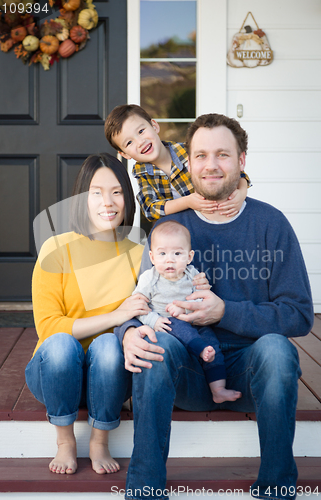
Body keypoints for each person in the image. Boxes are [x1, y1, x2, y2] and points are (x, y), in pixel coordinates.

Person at [115, 114, 314, 500]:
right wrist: (127, 334)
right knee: (154, 343)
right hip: (186, 370)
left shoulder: (270, 224)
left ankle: (276, 487)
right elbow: (140, 300)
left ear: (241, 161)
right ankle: (145, 488)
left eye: (222, 154)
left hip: (248, 373)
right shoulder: (169, 230)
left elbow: (300, 313)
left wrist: (226, 312)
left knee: (277, 349)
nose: (210, 164)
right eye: (201, 155)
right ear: (188, 163)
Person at [25, 153, 150, 476]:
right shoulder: (56, 248)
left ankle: (99, 441)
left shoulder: (140, 250)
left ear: (127, 197)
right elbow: (50, 327)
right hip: (54, 372)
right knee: (62, 344)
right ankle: (65, 442)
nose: (107, 202)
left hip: (111, 375)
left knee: (109, 346)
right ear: (82, 198)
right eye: (96, 192)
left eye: (117, 192)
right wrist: (115, 316)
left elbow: (150, 309)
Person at [133, 219, 241, 403]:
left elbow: (201, 299)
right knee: (181, 328)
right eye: (162, 253)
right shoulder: (149, 278)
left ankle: (218, 389)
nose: (170, 259)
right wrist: (153, 321)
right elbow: (138, 307)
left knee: (213, 345)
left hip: (195, 322)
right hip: (167, 324)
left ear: (189, 257)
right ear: (152, 257)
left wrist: (185, 306)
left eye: (177, 253)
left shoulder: (192, 274)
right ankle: (200, 350)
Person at [104, 104, 250, 221]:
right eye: (129, 142)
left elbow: (237, 172)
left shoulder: (187, 151)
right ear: (124, 154)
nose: (140, 142)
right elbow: (149, 209)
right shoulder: (142, 173)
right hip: (181, 232)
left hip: (219, 216)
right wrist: (187, 202)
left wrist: (241, 193)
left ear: (154, 126)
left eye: (141, 131)